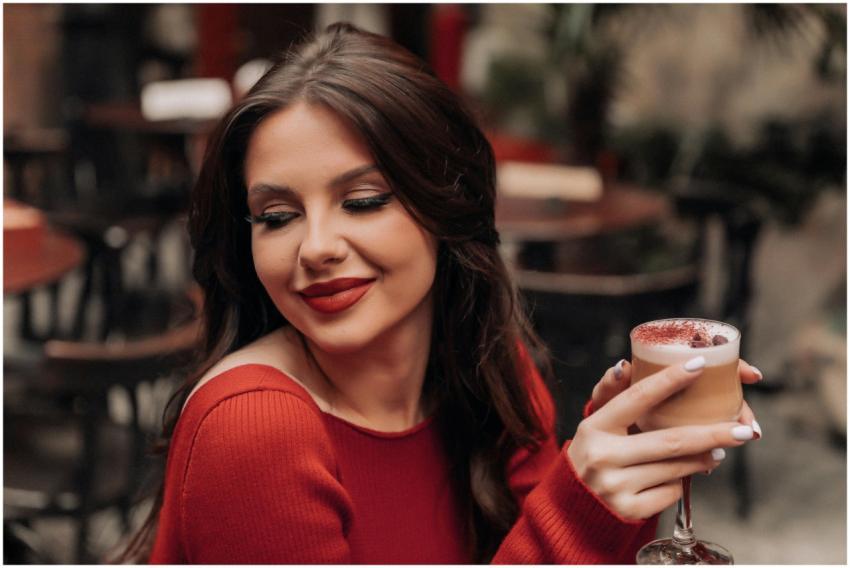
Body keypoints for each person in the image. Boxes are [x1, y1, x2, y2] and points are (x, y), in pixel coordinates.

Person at [123, 23, 762, 564]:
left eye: (364, 201)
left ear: (444, 209)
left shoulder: (487, 365)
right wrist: (574, 509)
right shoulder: (254, 428)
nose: (315, 246)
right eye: (277, 216)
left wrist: (612, 474)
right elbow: (552, 541)